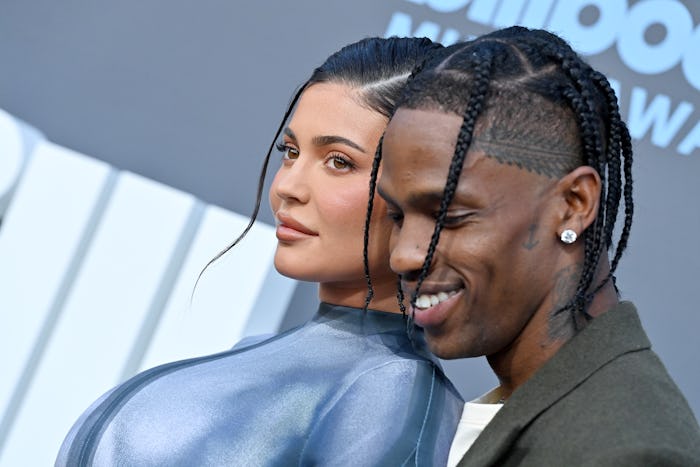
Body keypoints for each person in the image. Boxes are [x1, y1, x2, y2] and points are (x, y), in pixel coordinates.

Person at [55, 37, 464, 466]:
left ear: (427, 195)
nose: (286, 187)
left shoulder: (391, 393)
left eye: (339, 161)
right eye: (290, 152)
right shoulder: (265, 352)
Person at [373, 26, 700, 466]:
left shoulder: (624, 453)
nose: (404, 255)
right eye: (397, 216)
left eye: (449, 217)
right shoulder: (533, 406)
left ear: (572, 205)